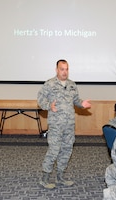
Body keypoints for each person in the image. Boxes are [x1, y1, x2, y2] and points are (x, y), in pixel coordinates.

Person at [37, 59, 91, 189]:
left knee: (67, 150)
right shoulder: (49, 84)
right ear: (56, 70)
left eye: (66, 69)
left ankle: (60, 177)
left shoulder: (72, 84)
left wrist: (81, 104)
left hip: (69, 125)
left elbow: (76, 100)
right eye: (62, 69)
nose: (64, 72)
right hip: (56, 124)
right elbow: (40, 100)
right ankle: (44, 178)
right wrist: (49, 105)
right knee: (54, 150)